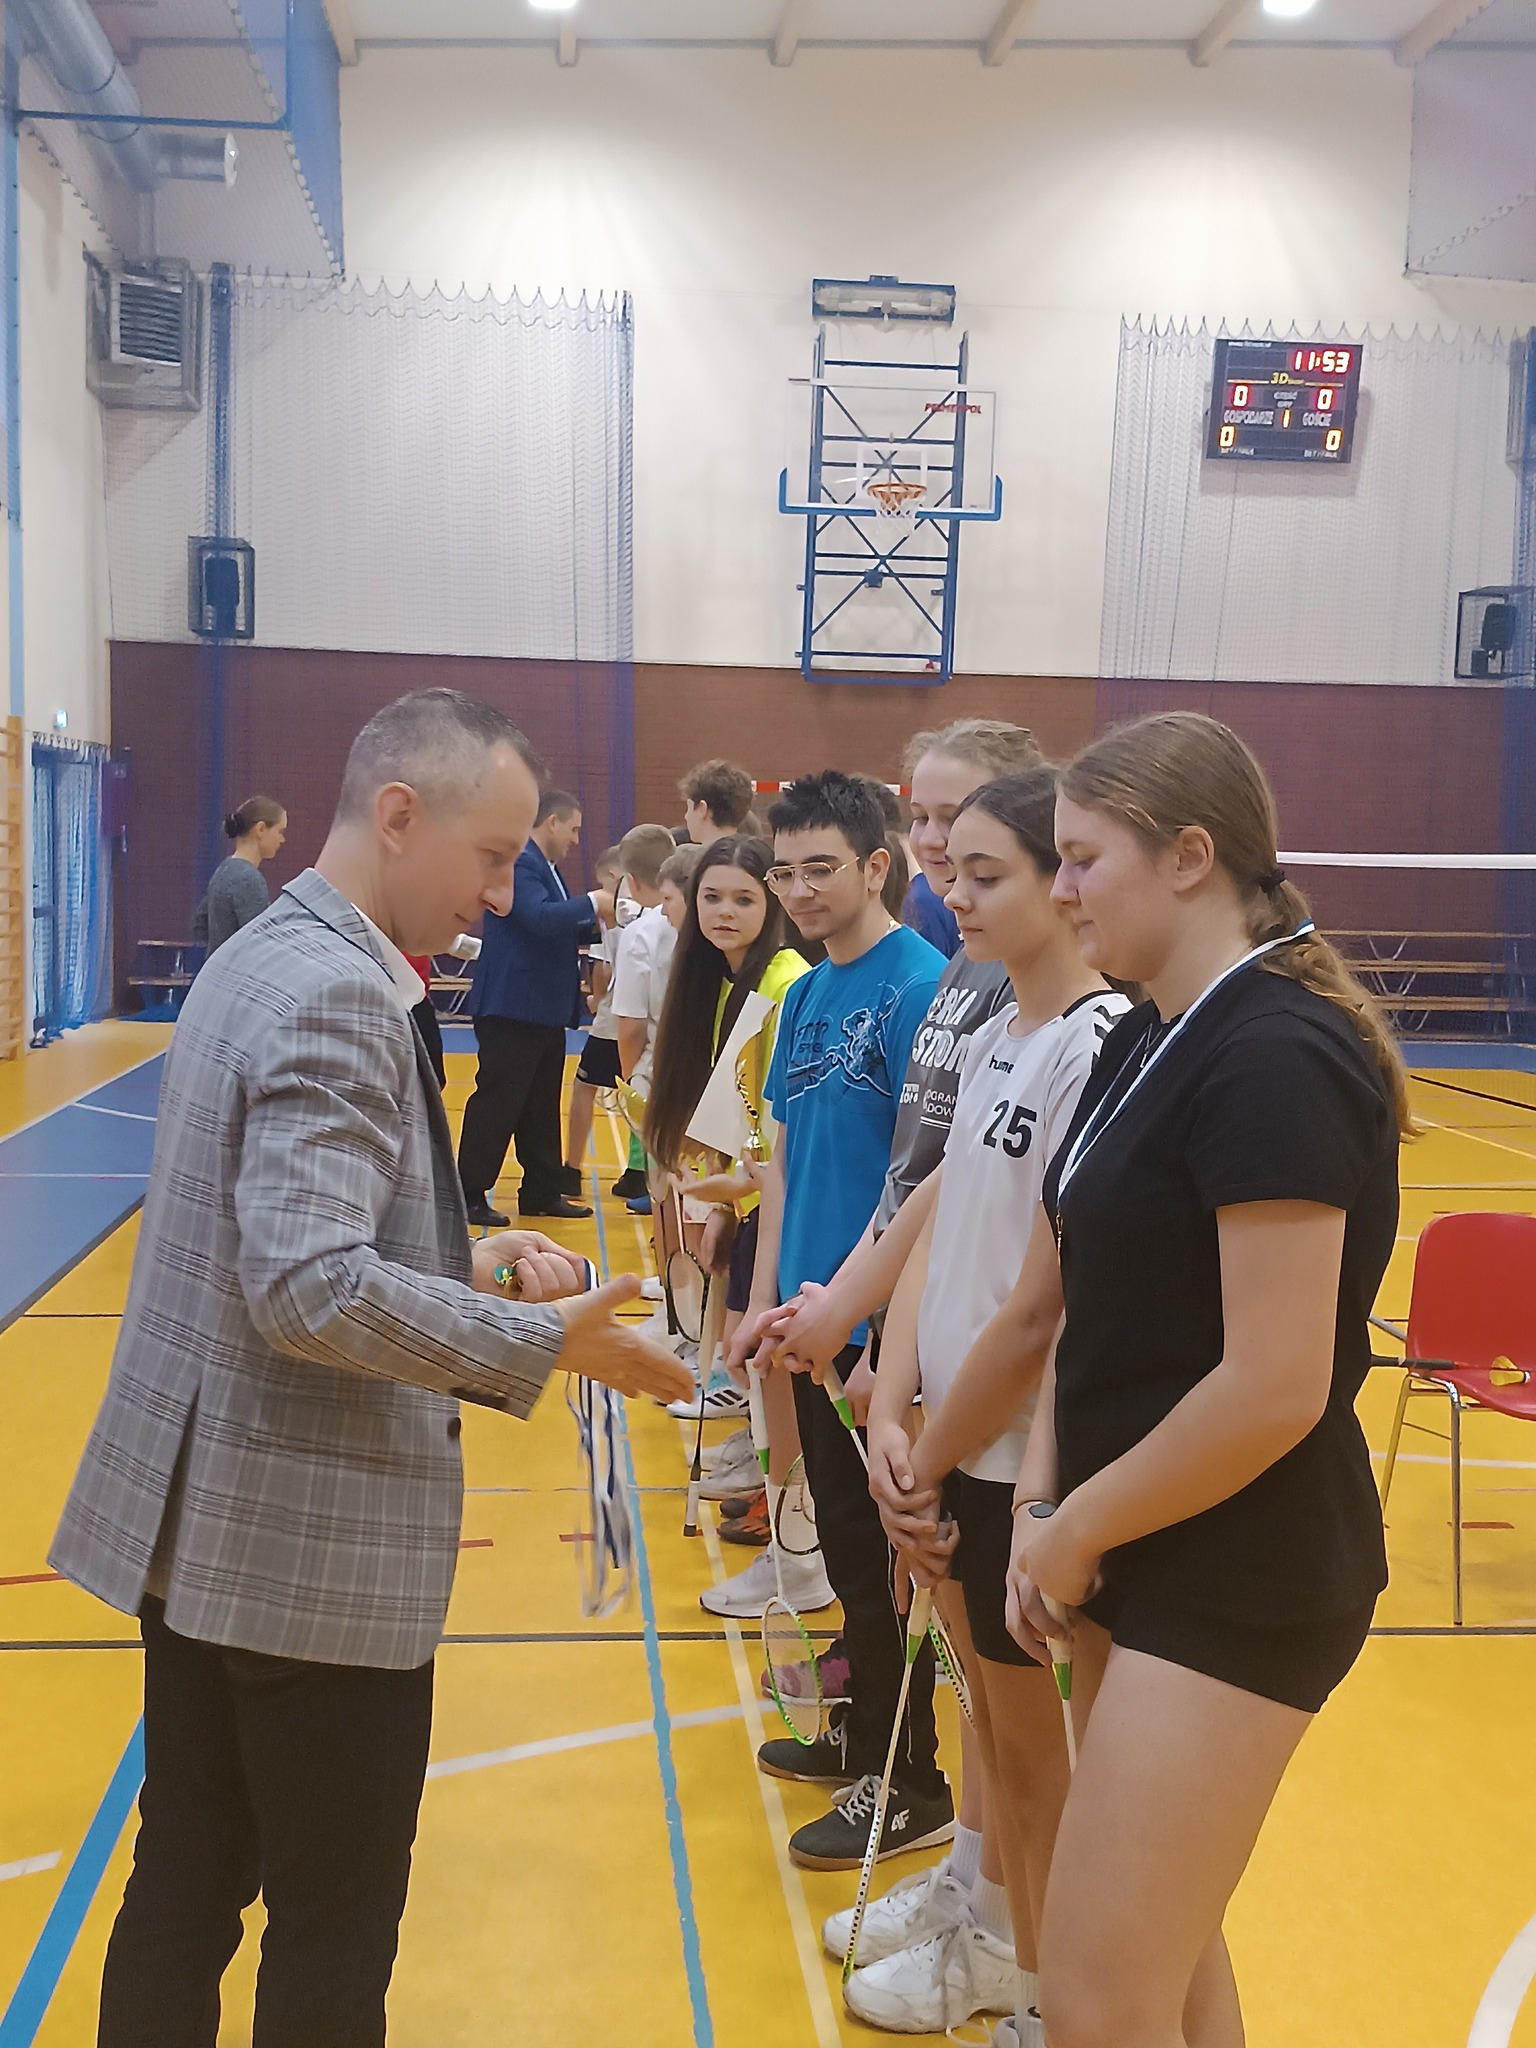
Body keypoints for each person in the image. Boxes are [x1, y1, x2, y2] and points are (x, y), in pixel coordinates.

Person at [49, 688, 691, 2048]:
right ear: (399, 814)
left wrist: (463, 1255)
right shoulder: (341, 990)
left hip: (205, 1529)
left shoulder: (266, 951)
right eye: (494, 855)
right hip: (305, 1555)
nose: (503, 894)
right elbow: (306, 1286)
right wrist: (544, 1339)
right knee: (329, 1936)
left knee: (186, 1881)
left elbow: (275, 1233)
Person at [932, 712, 1401, 2048]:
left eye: (1084, 858)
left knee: (1096, 1996)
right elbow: (1081, 1309)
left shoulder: (1277, 1055)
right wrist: (1043, 1507)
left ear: (1190, 856)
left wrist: (1073, 1524)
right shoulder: (1148, 1032)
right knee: (1170, 1967)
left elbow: (1274, 1385)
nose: (1065, 887)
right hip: (1135, 1546)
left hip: (1240, 1576)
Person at [751, 718, 1043, 2018]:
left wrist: (888, 1353)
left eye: (961, 826)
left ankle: (989, 1900)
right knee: (948, 1660)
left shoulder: (988, 993)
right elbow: (898, 1184)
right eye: (925, 820)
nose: (938, 848)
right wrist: (818, 1313)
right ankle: (963, 1867)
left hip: (955, 1388)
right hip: (869, 1341)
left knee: (995, 1689)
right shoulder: (928, 984)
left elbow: (969, 1217)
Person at [857, 769, 1129, 2044]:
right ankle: (1016, 1964)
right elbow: (936, 1230)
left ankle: (1049, 1996)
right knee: (997, 1731)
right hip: (949, 1441)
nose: (955, 894)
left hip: (1018, 1457)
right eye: (949, 871)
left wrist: (933, 1456)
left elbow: (1042, 1308)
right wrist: (894, 1409)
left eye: (987, 873)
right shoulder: (993, 1036)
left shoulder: (1094, 1043)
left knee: (1036, 1752)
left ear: (1061, 881)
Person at [730, 770, 948, 1871]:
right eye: (785, 872)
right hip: (807, 1322)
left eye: (822, 868)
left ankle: (912, 1781)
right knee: (853, 1565)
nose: (801, 889)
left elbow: (920, 1186)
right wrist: (762, 1299)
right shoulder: (807, 991)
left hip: (870, 1335)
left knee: (887, 1573)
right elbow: (781, 1161)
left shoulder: (925, 988)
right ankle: (863, 1741)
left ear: (876, 865)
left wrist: (872, 1336)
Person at [641, 835, 815, 1548]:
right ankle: (762, 1460)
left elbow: (779, 1119)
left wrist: (736, 1193)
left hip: (785, 1201)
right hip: (749, 1197)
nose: (725, 911)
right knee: (749, 1356)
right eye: (711, 897)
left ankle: (793, 1520)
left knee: (760, 1354)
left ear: (772, 902)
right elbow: (734, 1115)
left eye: (744, 898)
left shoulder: (785, 980)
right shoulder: (717, 979)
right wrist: (722, 1205)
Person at [457, 788, 615, 1226]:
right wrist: (592, 902)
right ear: (552, 822)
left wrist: (607, 925)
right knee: (499, 1101)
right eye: (573, 829)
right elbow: (538, 919)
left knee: (541, 1103)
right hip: (513, 1006)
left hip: (540, 1008)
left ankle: (542, 1190)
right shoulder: (521, 862)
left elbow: (554, 924)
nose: (576, 840)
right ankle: (468, 1192)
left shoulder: (544, 866)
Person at [565, 844, 626, 1195]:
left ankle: (572, 1168)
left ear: (614, 877)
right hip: (651, 1019)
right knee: (644, 1091)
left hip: (615, 1020)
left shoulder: (615, 914)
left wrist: (597, 1000)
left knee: (584, 1088)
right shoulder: (659, 913)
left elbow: (603, 967)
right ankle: (643, 1173)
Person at [192, 796, 287, 956]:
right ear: (261, 829)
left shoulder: (223, 869)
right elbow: (260, 942)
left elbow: (199, 925)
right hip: (238, 969)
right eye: (280, 831)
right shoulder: (249, 878)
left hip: (216, 966)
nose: (282, 839)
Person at [680, 757, 755, 845]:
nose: (686, 816)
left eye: (689, 807)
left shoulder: (696, 854)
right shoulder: (757, 851)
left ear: (702, 809)